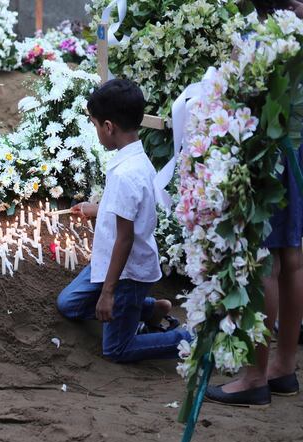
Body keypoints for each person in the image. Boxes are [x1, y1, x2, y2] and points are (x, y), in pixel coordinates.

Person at [205, 0, 303, 407]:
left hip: (266, 156)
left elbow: (235, 100)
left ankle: (255, 375)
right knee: (292, 258)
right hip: (297, 150)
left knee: (265, 261)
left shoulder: (251, 36)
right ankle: (283, 367)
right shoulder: (297, 28)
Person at [56, 79, 191, 363]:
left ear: (108, 127)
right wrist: (98, 209)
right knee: (68, 304)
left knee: (117, 349)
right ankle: (149, 309)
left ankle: (187, 339)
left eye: (95, 126)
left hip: (125, 274)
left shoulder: (125, 174)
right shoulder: (133, 160)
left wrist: (108, 293)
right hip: (108, 264)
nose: (96, 132)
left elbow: (125, 238)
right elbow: (128, 209)